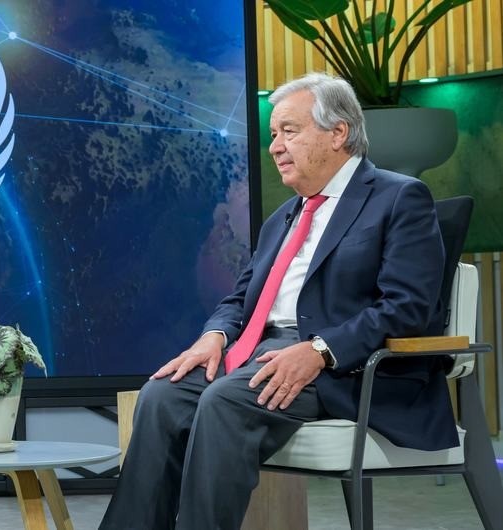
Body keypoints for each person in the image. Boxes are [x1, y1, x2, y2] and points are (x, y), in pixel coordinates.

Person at [100, 73, 454, 529]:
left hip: (341, 369)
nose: (275, 146)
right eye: (273, 135)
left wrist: (320, 350)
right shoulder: (285, 216)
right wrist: (214, 335)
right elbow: (242, 298)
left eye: (289, 131)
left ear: (338, 133)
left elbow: (408, 307)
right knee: (161, 396)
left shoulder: (399, 197)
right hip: (257, 354)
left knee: (224, 401)